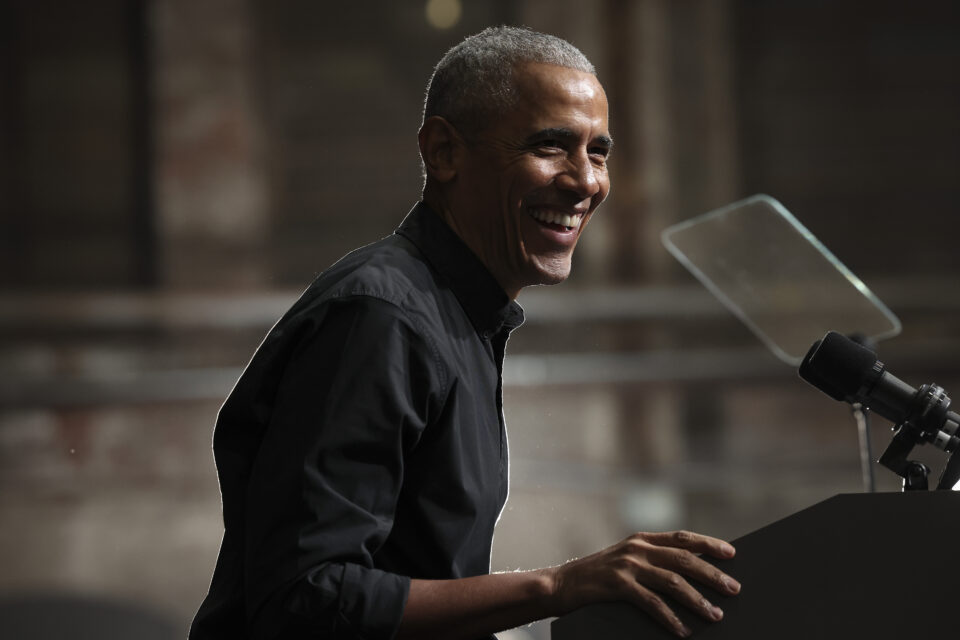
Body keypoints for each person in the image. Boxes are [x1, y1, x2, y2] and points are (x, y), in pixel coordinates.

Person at [189, 25, 740, 640]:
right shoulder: (381, 317)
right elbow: (306, 601)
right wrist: (557, 587)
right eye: (550, 145)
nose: (586, 181)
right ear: (444, 152)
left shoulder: (455, 313)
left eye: (598, 152)